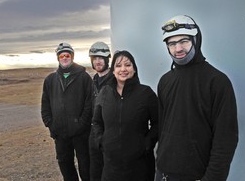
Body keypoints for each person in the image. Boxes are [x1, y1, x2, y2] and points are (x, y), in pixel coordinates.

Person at [156, 15, 238, 181]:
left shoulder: (217, 82)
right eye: (171, 43)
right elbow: (163, 129)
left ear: (196, 39)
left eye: (184, 41)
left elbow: (225, 140)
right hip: (163, 174)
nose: (178, 49)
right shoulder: (165, 81)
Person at [92, 50, 158, 181]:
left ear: (134, 69)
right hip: (111, 165)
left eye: (128, 65)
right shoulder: (104, 93)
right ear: (113, 70)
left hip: (140, 165)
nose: (123, 69)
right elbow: (97, 121)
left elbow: (159, 123)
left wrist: (146, 144)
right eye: (118, 65)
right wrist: (101, 141)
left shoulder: (146, 93)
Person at [41, 42, 92, 181]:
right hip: (60, 134)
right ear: (58, 58)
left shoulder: (84, 77)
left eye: (67, 55)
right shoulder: (50, 80)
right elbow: (45, 105)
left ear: (72, 57)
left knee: (86, 167)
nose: (64, 58)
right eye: (62, 55)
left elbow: (89, 104)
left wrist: (81, 125)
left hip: (81, 134)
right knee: (65, 166)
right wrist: (51, 125)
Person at [88, 41, 113, 181]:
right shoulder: (93, 81)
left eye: (100, 58)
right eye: (94, 58)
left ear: (107, 59)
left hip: (111, 136)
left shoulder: (116, 80)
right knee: (95, 174)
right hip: (94, 138)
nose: (97, 62)